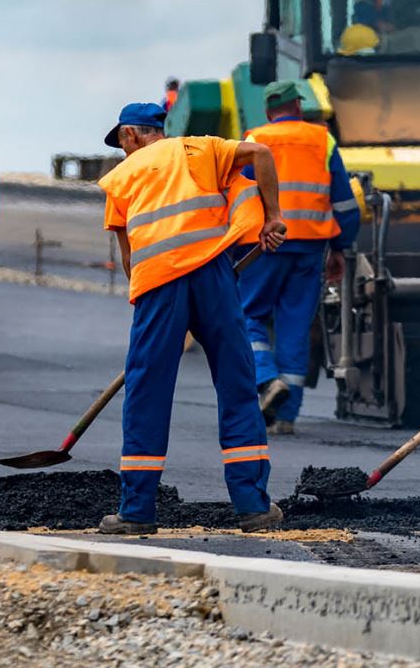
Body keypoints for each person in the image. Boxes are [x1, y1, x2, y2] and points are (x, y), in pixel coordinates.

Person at [95, 102, 289, 535]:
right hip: (214, 275)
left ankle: (137, 511)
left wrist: (155, 313)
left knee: (147, 390)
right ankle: (253, 507)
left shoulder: (121, 178)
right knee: (238, 385)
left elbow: (129, 260)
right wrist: (273, 215)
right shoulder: (200, 149)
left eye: (123, 143)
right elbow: (261, 154)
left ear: (130, 135)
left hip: (159, 285)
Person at [238, 81, 361, 435]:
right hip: (310, 247)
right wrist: (341, 247)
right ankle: (286, 416)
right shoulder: (322, 140)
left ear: (268, 111)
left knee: (248, 315)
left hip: (263, 244)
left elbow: (241, 195)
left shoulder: (254, 137)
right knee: (294, 327)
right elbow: (344, 204)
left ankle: (266, 380)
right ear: (297, 105)